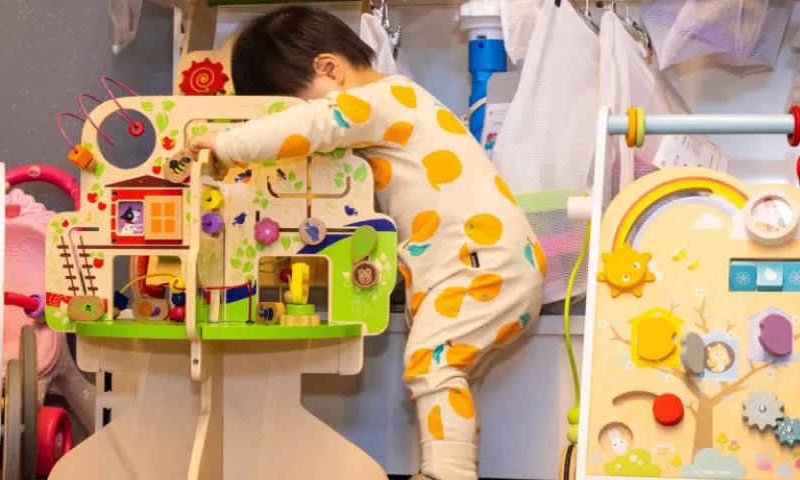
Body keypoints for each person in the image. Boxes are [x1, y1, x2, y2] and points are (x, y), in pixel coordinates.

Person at [187, 6, 544, 480]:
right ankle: (444, 468)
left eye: (297, 103)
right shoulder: (399, 103)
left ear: (329, 69)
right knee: (448, 374)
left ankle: (448, 475)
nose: (308, 117)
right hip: (485, 261)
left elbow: (315, 126)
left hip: (482, 262)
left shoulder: (384, 97)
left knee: (433, 367)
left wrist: (228, 144)